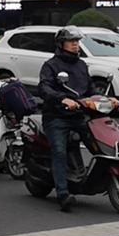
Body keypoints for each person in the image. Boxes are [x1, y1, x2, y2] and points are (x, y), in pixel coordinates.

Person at [37, 26, 91, 212]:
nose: (76, 45)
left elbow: (90, 89)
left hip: (79, 115)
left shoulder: (82, 65)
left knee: (100, 142)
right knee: (59, 151)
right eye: (71, 41)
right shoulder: (51, 65)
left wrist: (107, 99)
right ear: (61, 44)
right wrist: (62, 99)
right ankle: (62, 193)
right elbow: (44, 88)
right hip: (57, 116)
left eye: (77, 41)